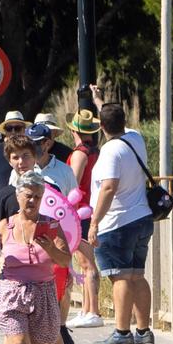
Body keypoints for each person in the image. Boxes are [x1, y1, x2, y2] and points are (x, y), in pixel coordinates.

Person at [0, 169, 71, 344]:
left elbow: (65, 259)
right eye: (28, 195)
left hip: (43, 291)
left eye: (37, 197)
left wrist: (50, 248)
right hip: (12, 291)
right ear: (18, 195)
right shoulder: (6, 225)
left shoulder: (50, 225)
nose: (32, 201)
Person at [89, 101, 156, 344]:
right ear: (123, 121)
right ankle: (144, 331)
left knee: (121, 278)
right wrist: (99, 101)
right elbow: (113, 118)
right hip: (142, 217)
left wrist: (94, 222)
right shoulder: (135, 139)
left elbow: (108, 187)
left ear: (102, 126)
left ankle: (122, 331)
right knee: (137, 275)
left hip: (117, 222)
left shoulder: (110, 151)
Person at [66, 109, 106, 328]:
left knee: (87, 263)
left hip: (80, 209)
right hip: (88, 207)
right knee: (84, 262)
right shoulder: (96, 152)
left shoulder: (81, 153)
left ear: (75, 131)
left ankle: (94, 311)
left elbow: (73, 182)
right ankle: (86, 309)